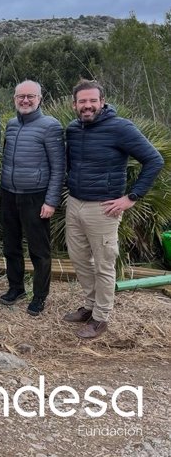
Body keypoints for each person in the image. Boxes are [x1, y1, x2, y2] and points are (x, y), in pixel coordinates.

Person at [63, 80, 163, 339]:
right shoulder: (73, 129)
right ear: (74, 104)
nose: (87, 106)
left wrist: (131, 197)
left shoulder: (121, 128)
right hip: (74, 204)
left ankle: (101, 317)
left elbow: (154, 159)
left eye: (92, 101)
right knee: (79, 260)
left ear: (102, 102)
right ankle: (89, 306)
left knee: (104, 265)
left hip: (104, 209)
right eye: (82, 102)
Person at [0, 80, 65, 316]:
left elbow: (58, 168)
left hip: (36, 196)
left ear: (40, 99)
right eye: (20, 97)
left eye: (30, 96)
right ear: (14, 99)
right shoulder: (12, 124)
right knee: (11, 247)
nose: (25, 101)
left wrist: (51, 201)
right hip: (8, 193)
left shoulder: (51, 126)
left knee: (39, 251)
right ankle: (16, 288)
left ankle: (39, 296)